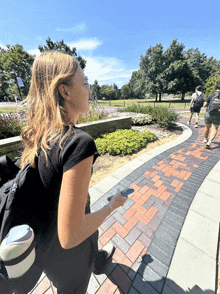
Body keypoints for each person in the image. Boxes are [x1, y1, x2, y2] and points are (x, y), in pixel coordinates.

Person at [13, 51, 128, 294]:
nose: (89, 91)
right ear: (65, 91)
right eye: (85, 84)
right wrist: (113, 206)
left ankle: (98, 259)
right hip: (71, 259)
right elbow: (71, 235)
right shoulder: (78, 143)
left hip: (47, 254)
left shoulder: (42, 137)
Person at [203, 83, 220, 149]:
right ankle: (209, 142)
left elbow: (204, 105)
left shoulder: (211, 95)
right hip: (218, 114)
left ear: (216, 88)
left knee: (207, 127)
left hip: (209, 113)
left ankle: (205, 138)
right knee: (215, 128)